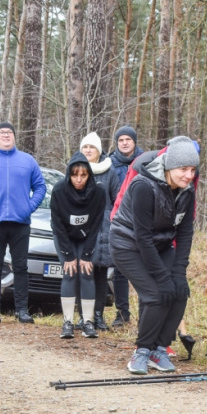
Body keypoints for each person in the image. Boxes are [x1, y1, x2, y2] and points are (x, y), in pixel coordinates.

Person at [110, 137, 198, 374]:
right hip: (127, 244)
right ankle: (142, 351)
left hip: (159, 244)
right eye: (183, 169)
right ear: (169, 167)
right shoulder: (143, 186)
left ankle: (159, 348)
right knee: (156, 294)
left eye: (192, 170)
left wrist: (178, 273)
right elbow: (142, 237)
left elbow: (186, 232)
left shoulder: (186, 191)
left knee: (179, 292)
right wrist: (162, 277)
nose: (189, 175)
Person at [0, 122, 45, 325]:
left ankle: (22, 310)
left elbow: (40, 186)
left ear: (14, 136)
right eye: (1, 133)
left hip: (20, 223)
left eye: (9, 132)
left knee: (21, 267)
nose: (5, 135)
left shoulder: (27, 161)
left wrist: (29, 207)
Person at [50, 151, 107, 338]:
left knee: (87, 272)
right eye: (75, 175)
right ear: (69, 175)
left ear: (89, 175)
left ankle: (88, 322)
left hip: (87, 237)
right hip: (65, 237)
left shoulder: (98, 193)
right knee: (70, 272)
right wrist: (68, 255)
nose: (79, 179)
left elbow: (97, 224)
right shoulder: (59, 191)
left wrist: (87, 254)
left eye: (83, 175)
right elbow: (57, 225)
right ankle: (68, 322)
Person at [80, 132, 119, 330]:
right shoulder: (76, 170)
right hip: (82, 225)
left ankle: (98, 315)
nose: (88, 151)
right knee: (83, 272)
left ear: (99, 151)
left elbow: (117, 200)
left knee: (101, 273)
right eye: (85, 147)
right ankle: (83, 316)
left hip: (103, 227)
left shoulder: (109, 171)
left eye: (92, 147)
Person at [108, 125, 142, 327]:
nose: (125, 143)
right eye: (121, 140)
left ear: (134, 142)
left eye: (128, 139)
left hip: (142, 219)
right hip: (119, 220)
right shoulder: (109, 164)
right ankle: (122, 313)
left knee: (145, 268)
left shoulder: (145, 161)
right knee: (120, 269)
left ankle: (148, 312)